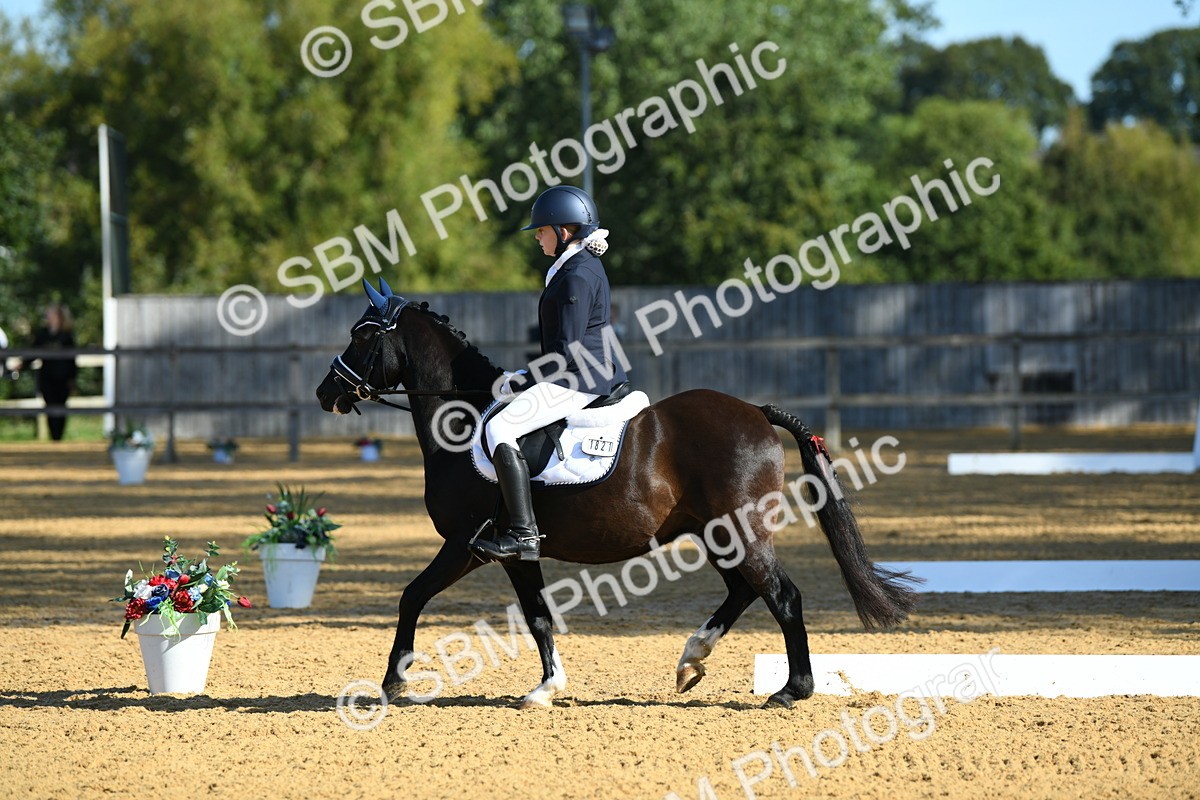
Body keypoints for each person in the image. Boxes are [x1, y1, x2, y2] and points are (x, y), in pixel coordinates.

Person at [469, 185, 628, 563]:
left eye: (540, 231)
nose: (537, 238)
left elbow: (565, 352)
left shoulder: (575, 275)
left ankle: (523, 534)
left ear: (564, 231)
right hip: (582, 369)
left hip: (581, 377)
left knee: (499, 429)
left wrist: (520, 380)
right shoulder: (576, 266)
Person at [28, 304, 78, 441]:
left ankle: (58, 437)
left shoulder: (67, 336)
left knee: (61, 408)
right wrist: (22, 364)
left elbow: (72, 359)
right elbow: (33, 352)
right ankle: (54, 437)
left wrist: (72, 378)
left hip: (63, 378)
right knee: (49, 408)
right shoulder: (43, 334)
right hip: (47, 377)